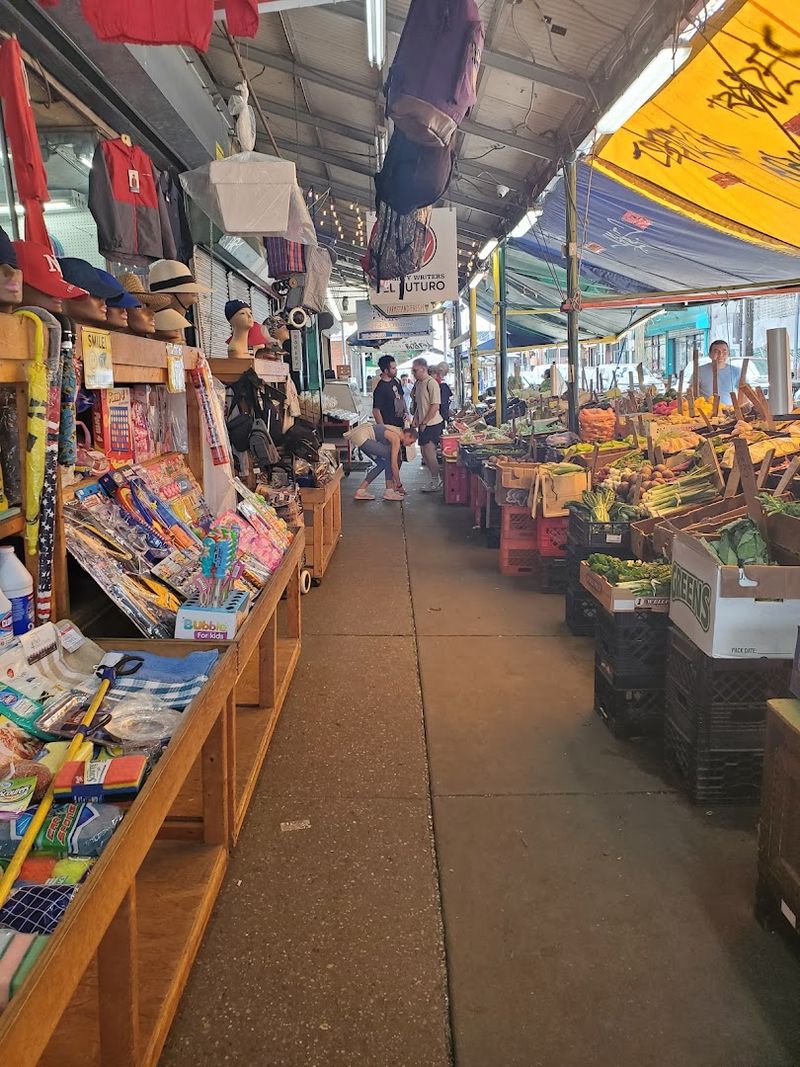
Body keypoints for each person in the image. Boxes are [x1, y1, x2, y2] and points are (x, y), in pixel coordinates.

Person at [350, 423, 418, 502]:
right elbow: (394, 465)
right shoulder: (396, 438)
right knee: (390, 456)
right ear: (408, 435)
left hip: (359, 436)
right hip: (362, 437)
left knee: (382, 463)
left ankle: (361, 491)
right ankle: (389, 491)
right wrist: (399, 485)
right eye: (411, 442)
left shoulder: (396, 431)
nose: (409, 445)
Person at [411, 357, 444, 492]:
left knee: (430, 453)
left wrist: (424, 422)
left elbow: (435, 406)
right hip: (423, 423)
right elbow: (419, 404)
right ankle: (435, 479)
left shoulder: (432, 383)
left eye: (415, 370)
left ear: (423, 369)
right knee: (424, 453)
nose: (413, 373)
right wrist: (416, 418)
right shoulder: (419, 384)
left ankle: (436, 480)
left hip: (433, 424)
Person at [372, 354, 407, 429]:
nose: (396, 370)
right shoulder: (380, 388)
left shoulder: (396, 381)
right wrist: (383, 429)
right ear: (386, 370)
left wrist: (405, 412)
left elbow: (401, 397)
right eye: (393, 368)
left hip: (400, 424)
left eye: (396, 367)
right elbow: (376, 411)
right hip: (389, 426)